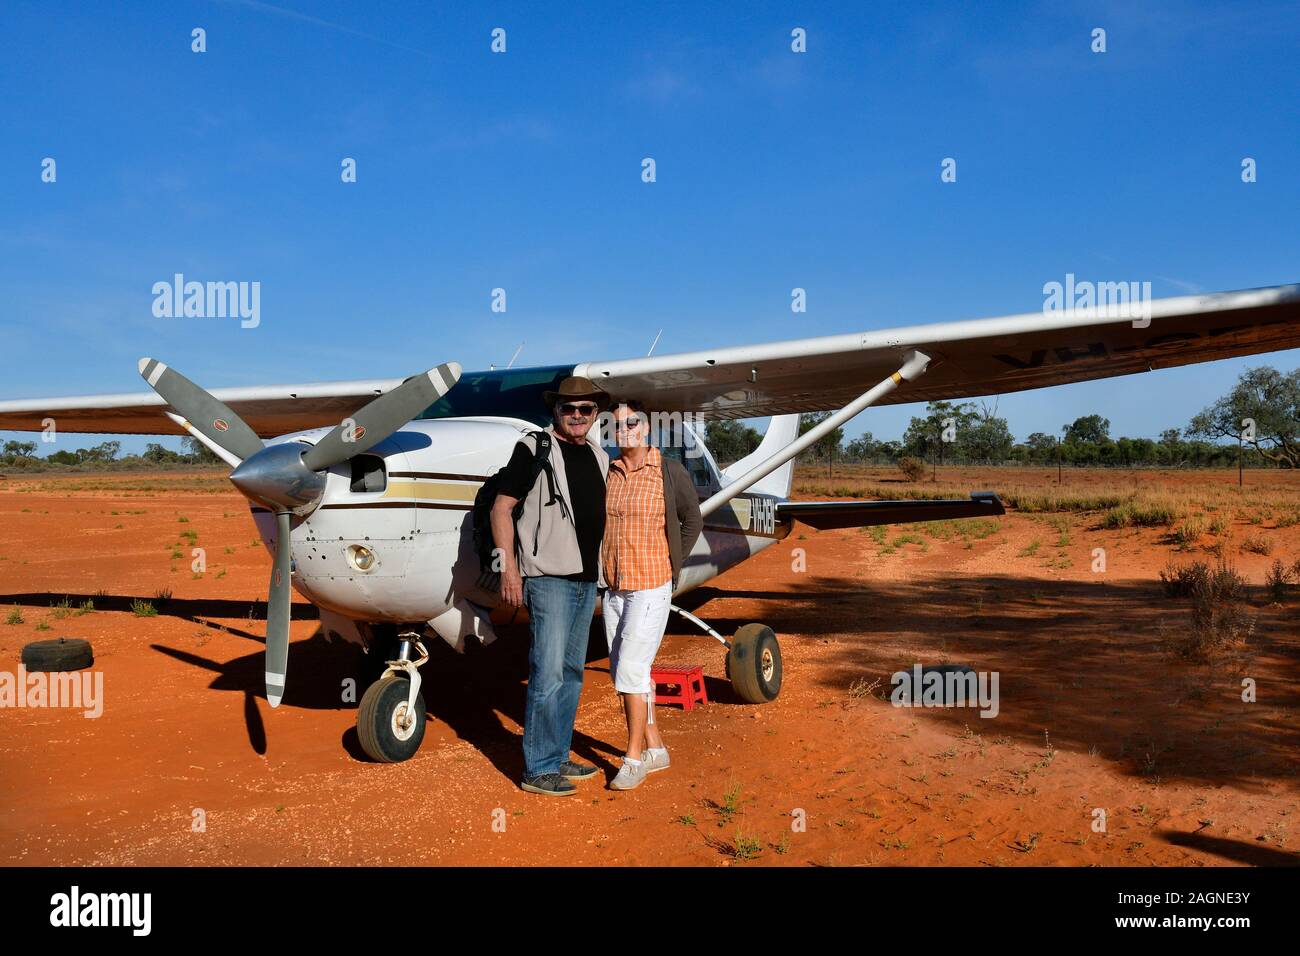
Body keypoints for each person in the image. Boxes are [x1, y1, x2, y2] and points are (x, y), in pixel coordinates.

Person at [491, 377, 610, 796]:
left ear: (595, 415)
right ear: (555, 411)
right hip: (549, 578)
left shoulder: (598, 455)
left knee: (572, 673)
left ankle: (558, 756)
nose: (577, 416)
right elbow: (501, 509)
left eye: (586, 410)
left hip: (586, 578)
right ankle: (538, 769)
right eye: (569, 409)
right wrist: (509, 569)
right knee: (547, 674)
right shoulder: (533, 447)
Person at [601, 400, 703, 790]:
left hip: (651, 584)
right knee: (627, 671)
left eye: (631, 423)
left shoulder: (667, 470)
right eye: (615, 425)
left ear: (645, 428)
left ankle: (633, 758)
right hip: (615, 586)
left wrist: (671, 562)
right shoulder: (609, 471)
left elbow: (691, 520)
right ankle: (657, 747)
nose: (623, 430)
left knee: (629, 670)